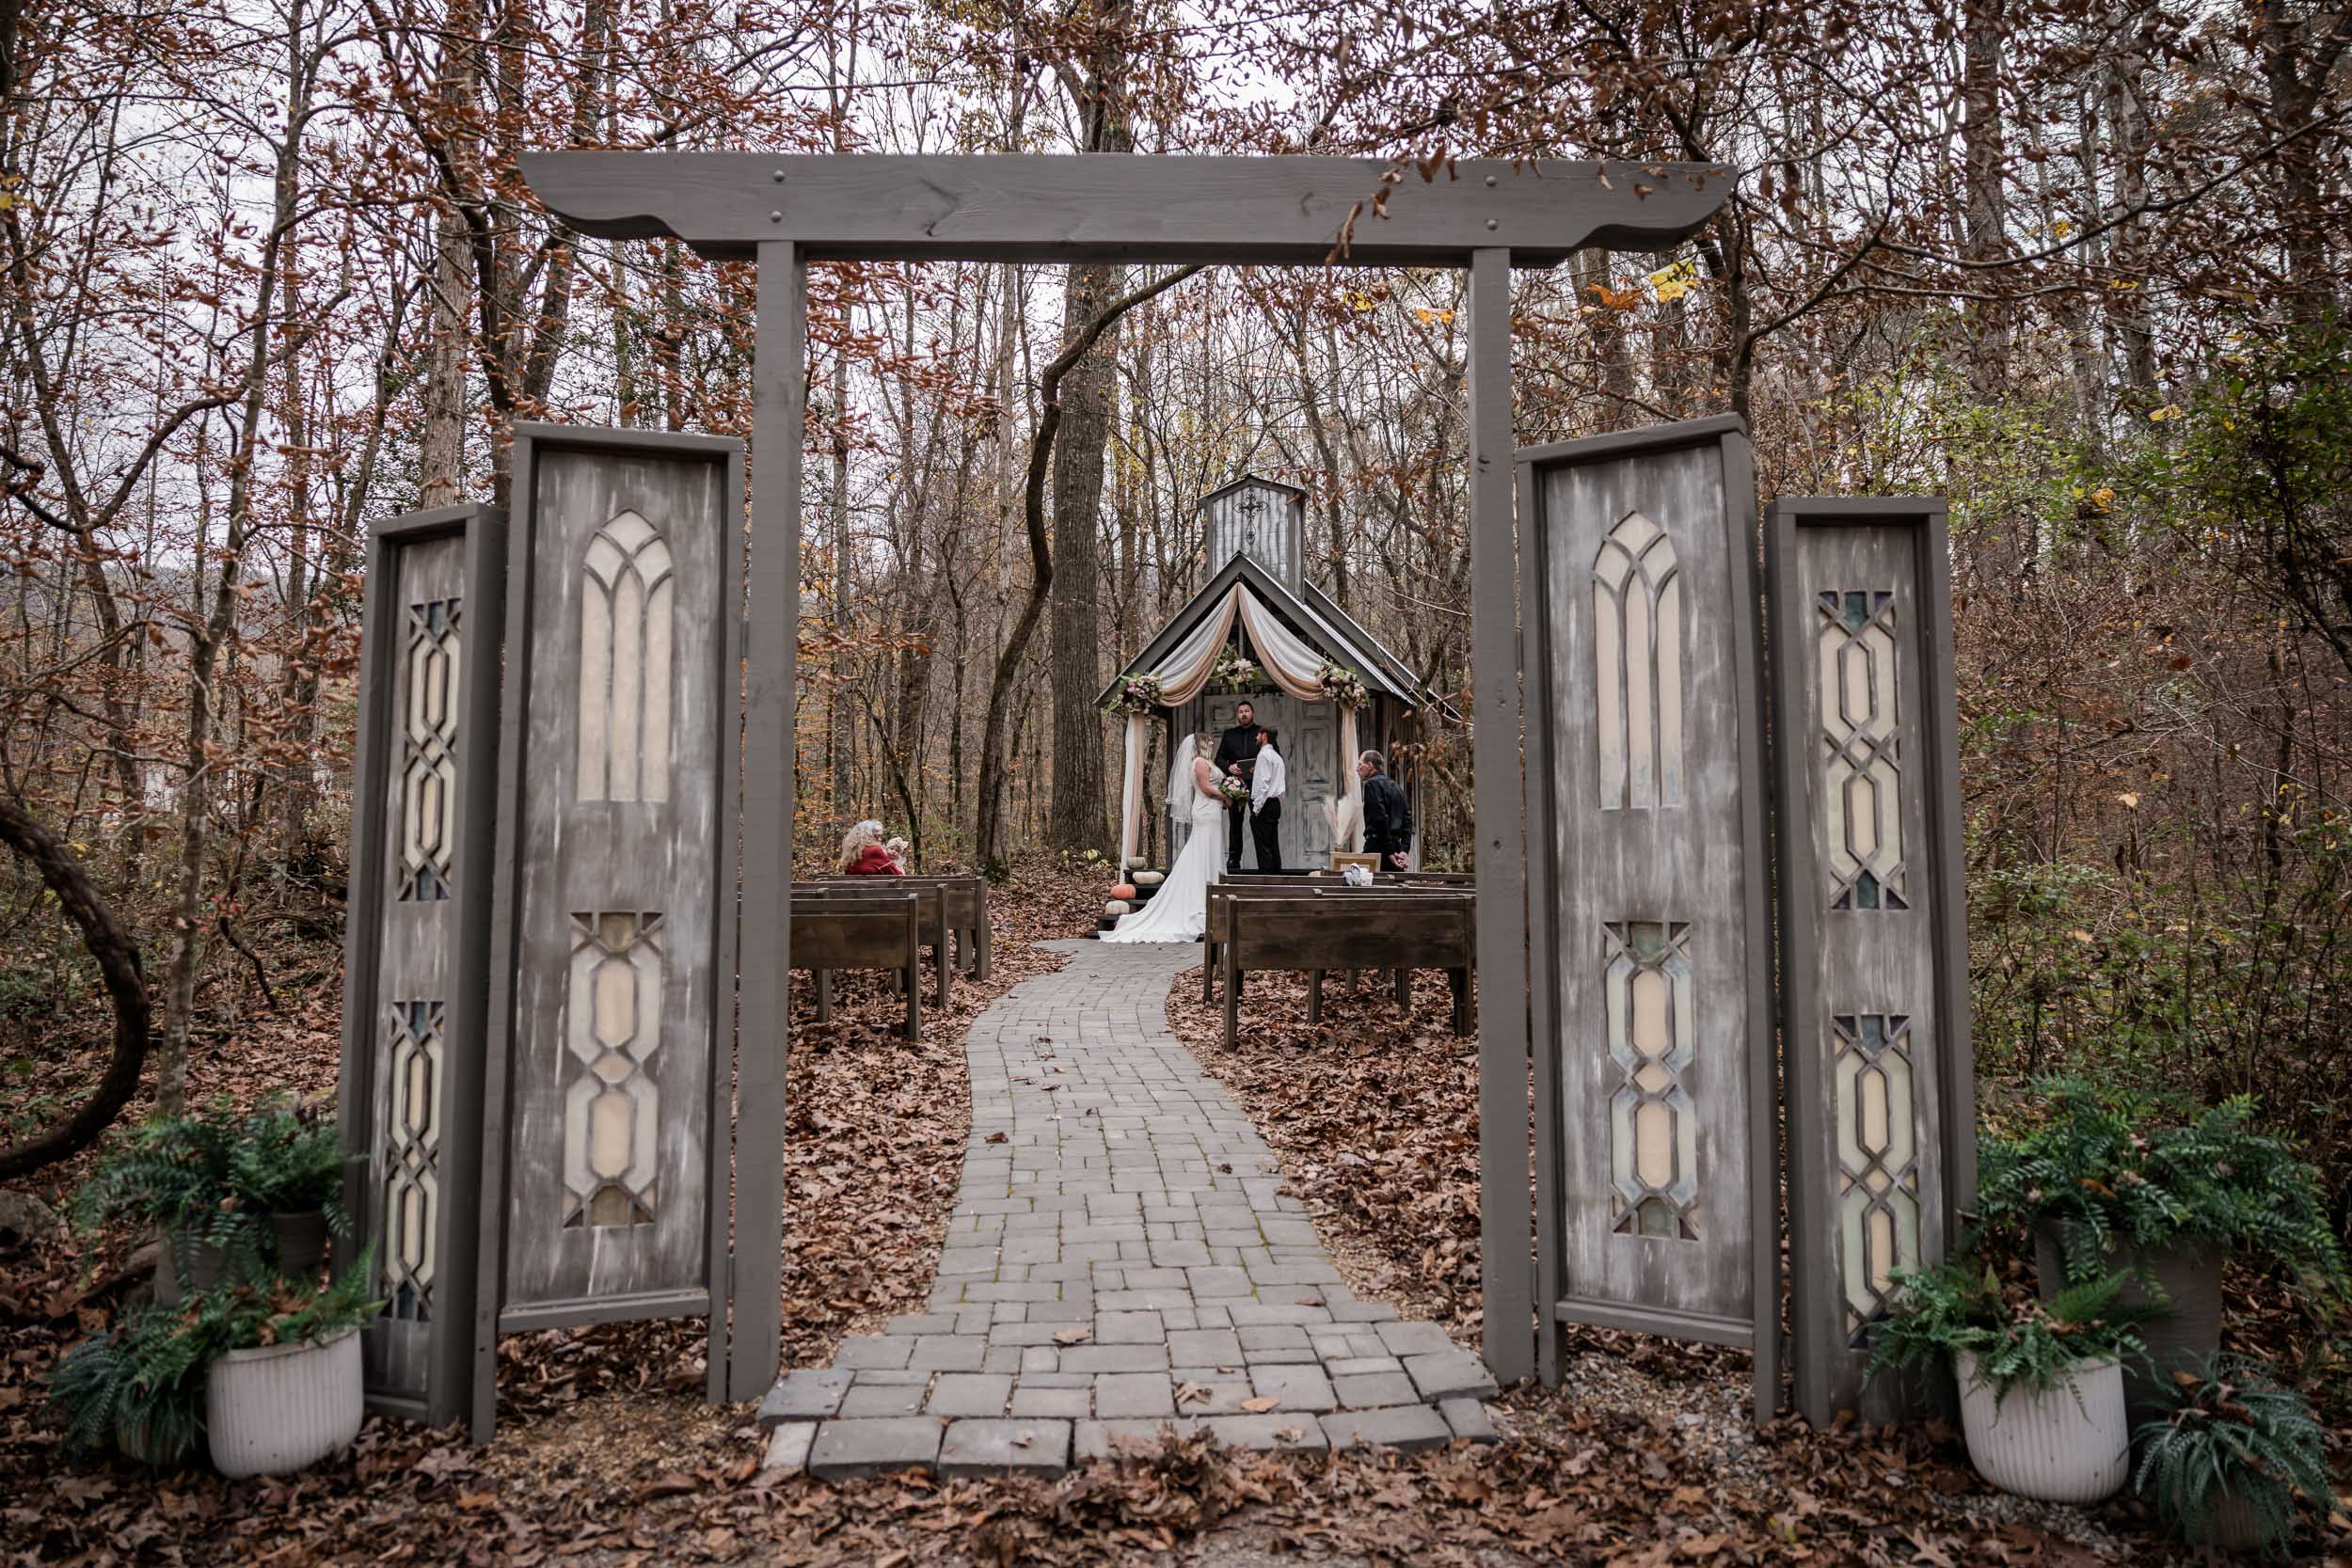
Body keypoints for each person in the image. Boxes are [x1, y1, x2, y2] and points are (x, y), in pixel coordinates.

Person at [1104, 734, 1224, 942]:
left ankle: (1213, 895)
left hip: (1212, 813)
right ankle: (1200, 899)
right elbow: (1206, 788)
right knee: (1203, 851)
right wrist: (1227, 796)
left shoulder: (1207, 762)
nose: (1213, 743)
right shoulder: (1199, 762)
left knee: (1209, 852)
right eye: (1209, 740)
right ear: (1201, 744)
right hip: (1205, 812)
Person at [1212, 701, 1263, 873]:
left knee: (1259, 823)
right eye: (1240, 711)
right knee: (1235, 824)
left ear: (1252, 713)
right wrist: (1229, 767)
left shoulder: (1262, 733)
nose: (1243, 714)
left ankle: (1264, 862)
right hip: (1236, 786)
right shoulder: (1229, 734)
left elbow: (1273, 754)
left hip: (1257, 786)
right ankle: (1234, 860)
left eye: (1247, 711)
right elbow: (1218, 758)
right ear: (1237, 715)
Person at [1358, 751, 1413, 870]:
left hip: (1378, 848)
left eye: (1360, 764)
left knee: (1363, 884)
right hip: (1395, 848)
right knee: (1395, 886)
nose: (1358, 769)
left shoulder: (1371, 785)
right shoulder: (1396, 786)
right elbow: (1407, 820)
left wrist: (1390, 852)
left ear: (1370, 765)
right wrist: (1404, 850)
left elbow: (1380, 818)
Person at [1248, 726, 1285, 875]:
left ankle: (1267, 879)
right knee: (1272, 844)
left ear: (1264, 736)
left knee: (1263, 847)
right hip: (1274, 803)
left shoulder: (1263, 756)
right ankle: (1276, 877)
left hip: (1265, 804)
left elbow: (1262, 786)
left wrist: (1256, 809)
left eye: (1258, 735)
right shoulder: (1276, 756)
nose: (1256, 738)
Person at [838, 818, 902, 875]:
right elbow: (897, 874)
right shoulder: (874, 850)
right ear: (867, 836)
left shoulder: (851, 853)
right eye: (876, 836)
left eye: (880, 836)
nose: (880, 839)